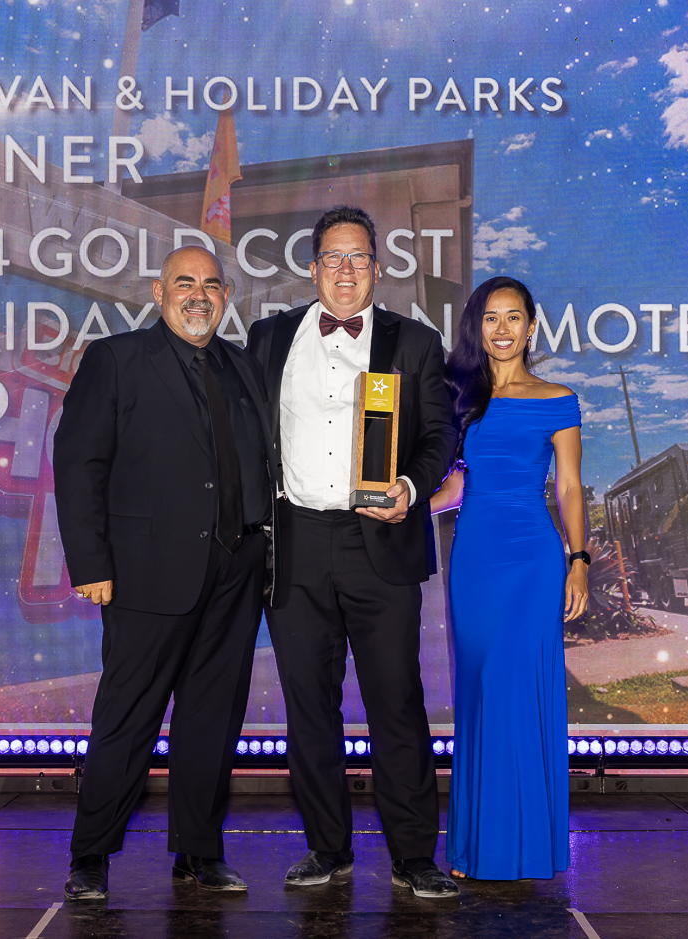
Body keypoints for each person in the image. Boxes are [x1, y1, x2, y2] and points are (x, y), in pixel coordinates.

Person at [246, 206, 459, 898]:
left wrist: (411, 486)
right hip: (296, 543)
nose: (345, 270)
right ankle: (327, 848)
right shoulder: (269, 337)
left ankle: (413, 856)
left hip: (382, 541)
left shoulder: (415, 342)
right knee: (309, 706)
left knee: (396, 702)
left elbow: (440, 437)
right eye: (333, 258)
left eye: (358, 257)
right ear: (313, 269)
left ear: (377, 267)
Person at [52, 246, 272, 902]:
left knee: (213, 720)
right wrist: (90, 562)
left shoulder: (241, 364)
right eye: (185, 282)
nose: (199, 294)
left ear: (226, 296)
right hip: (145, 574)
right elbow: (78, 461)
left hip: (234, 572)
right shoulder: (116, 359)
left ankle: (199, 851)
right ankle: (91, 855)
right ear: (158, 291)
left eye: (211, 284)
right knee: (127, 718)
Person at [430, 275, 588, 881]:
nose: (502, 329)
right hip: (474, 557)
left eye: (513, 317)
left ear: (531, 326)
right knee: (479, 689)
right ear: (477, 326)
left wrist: (579, 560)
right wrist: (405, 505)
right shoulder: (459, 395)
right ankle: (479, 846)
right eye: (490, 317)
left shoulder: (558, 398)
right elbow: (457, 484)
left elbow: (568, 487)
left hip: (532, 560)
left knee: (517, 687)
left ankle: (522, 846)